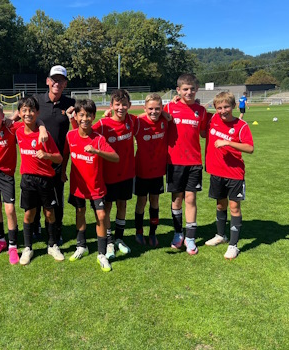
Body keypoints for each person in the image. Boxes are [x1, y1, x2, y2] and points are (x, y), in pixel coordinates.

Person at [0, 102, 45, 264]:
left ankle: (12, 245)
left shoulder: (11, 128)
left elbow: (32, 120)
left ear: (3, 117)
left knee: (9, 210)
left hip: (6, 175)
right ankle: (0, 241)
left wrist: (43, 128)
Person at [62, 99, 119, 272]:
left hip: (96, 187)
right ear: (76, 116)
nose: (84, 119)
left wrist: (97, 151)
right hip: (78, 186)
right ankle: (82, 246)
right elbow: (65, 154)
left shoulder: (99, 139)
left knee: (101, 216)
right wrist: (63, 171)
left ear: (93, 116)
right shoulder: (70, 135)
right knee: (80, 212)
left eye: (88, 115)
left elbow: (115, 157)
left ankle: (101, 254)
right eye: (81, 115)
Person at [204, 92, 254, 259]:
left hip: (234, 174)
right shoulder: (212, 119)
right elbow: (196, 113)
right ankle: (220, 236)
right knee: (220, 205)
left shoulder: (241, 125)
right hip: (216, 172)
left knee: (234, 208)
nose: (223, 110)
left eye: (226, 107)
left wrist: (228, 142)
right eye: (219, 107)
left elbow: (250, 148)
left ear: (233, 106)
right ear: (215, 108)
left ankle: (233, 245)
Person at [89, 89, 137, 259]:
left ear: (129, 105)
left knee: (122, 205)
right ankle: (109, 240)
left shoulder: (132, 120)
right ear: (111, 105)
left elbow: (150, 116)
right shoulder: (103, 124)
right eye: (117, 104)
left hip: (127, 173)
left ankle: (119, 239)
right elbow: (86, 132)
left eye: (124, 104)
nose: (121, 108)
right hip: (108, 175)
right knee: (107, 207)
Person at [15, 96, 63, 265]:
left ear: (37, 112)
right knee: (29, 214)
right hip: (27, 179)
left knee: (49, 213)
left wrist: (47, 155)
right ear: (19, 113)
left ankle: (52, 245)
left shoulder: (45, 135)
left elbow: (59, 158)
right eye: (24, 110)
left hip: (45, 180)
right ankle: (28, 248)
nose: (28, 114)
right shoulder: (17, 130)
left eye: (32, 110)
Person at [164, 74, 208, 255]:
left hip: (194, 162)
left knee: (190, 199)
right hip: (174, 162)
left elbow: (204, 133)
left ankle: (190, 238)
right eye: (185, 89)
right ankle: (178, 233)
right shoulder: (169, 107)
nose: (189, 92)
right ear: (178, 90)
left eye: (192, 89)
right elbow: (152, 117)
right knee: (177, 199)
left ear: (197, 89)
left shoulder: (201, 111)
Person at [32, 65, 76, 243]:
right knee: (36, 197)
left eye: (61, 80)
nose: (57, 83)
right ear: (48, 81)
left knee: (57, 199)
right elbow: (21, 115)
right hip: (37, 159)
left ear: (65, 84)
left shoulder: (70, 103)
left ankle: (57, 230)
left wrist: (73, 116)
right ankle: (35, 228)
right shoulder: (36, 100)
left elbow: (81, 126)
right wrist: (8, 120)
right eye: (54, 79)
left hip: (58, 160)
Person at [133, 93, 169, 247]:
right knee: (141, 202)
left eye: (157, 109)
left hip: (157, 171)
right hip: (141, 170)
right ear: (145, 108)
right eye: (150, 109)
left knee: (155, 201)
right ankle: (139, 232)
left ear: (162, 108)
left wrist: (166, 114)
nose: (154, 112)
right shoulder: (138, 122)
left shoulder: (165, 121)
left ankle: (153, 233)